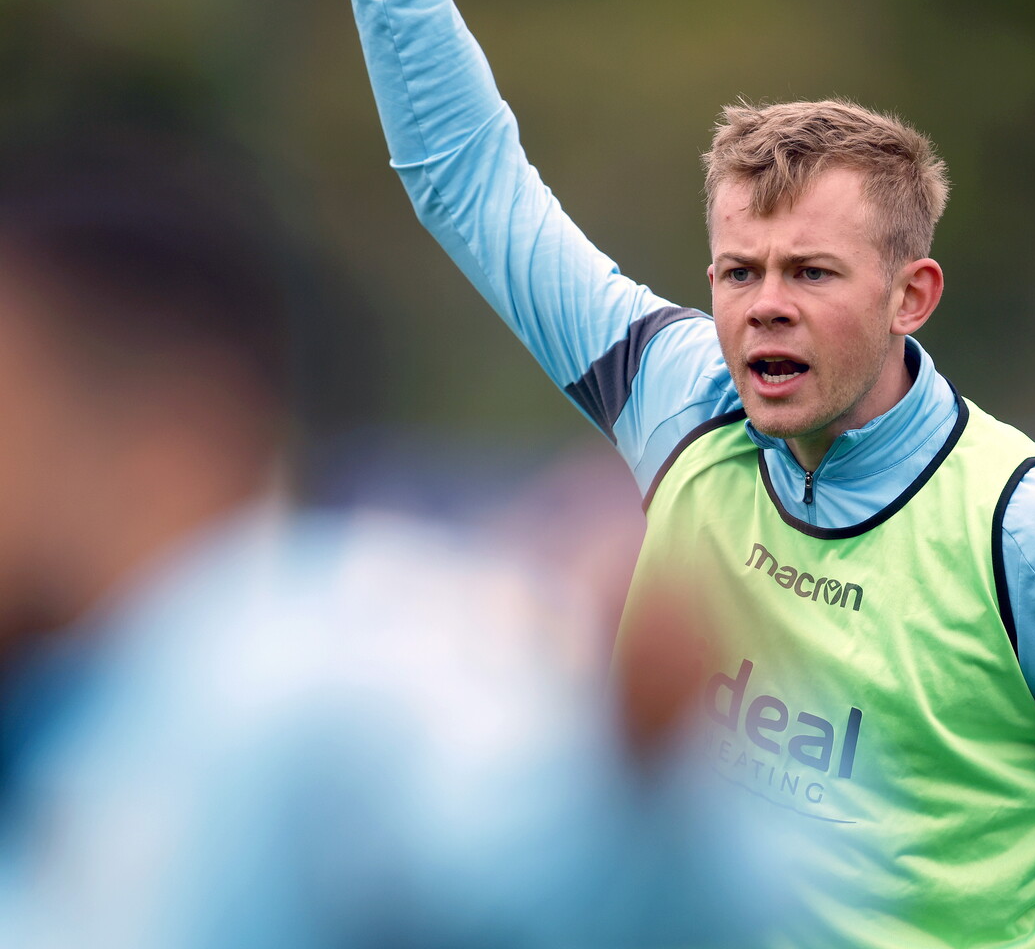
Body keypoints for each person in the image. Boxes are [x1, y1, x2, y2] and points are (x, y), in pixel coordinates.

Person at [346, 0, 1035, 947]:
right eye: (741, 272)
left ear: (913, 294)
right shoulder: (683, 400)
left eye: (811, 273)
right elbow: (471, 186)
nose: (765, 306)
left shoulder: (1033, 530)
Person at [0, 118, 779, 948]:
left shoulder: (307, 659)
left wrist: (632, 770)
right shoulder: (89, 705)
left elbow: (538, 838)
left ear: (166, 436)